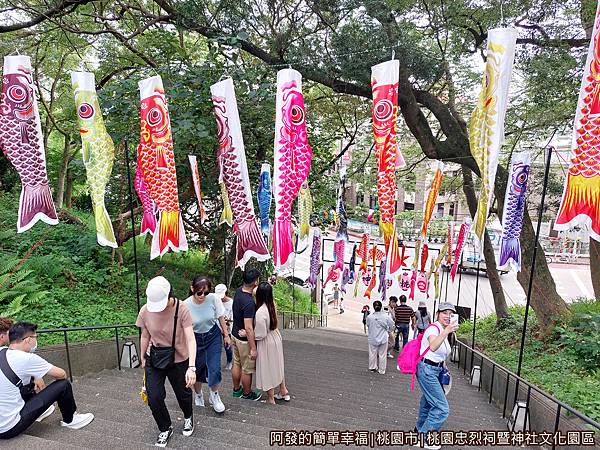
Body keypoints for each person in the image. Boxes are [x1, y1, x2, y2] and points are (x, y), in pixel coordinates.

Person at [0, 321, 94, 439]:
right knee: (63, 385)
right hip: (9, 428)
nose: (36, 341)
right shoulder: (28, 358)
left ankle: (40, 411)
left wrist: (36, 376)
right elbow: (62, 374)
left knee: (24, 379)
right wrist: (38, 374)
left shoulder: (2, 351)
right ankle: (71, 420)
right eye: (35, 337)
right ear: (28, 339)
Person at [136, 276, 197, 447]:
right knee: (153, 396)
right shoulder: (145, 310)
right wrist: (142, 357)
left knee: (183, 394)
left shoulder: (182, 308)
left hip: (179, 358)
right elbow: (145, 335)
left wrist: (191, 367)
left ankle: (188, 416)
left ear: (170, 294)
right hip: (155, 356)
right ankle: (165, 428)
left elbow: (191, 339)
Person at [415, 302, 459, 450]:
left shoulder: (441, 329)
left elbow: (441, 352)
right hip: (427, 370)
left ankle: (419, 431)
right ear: (437, 314)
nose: (448, 316)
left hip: (435, 370)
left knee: (428, 403)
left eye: (450, 314)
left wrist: (444, 367)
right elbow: (433, 346)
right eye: (444, 313)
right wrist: (446, 331)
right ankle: (424, 437)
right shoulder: (434, 328)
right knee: (442, 408)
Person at [184, 276, 230, 414]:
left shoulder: (214, 299)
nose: (202, 296)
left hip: (212, 336)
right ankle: (198, 395)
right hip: (194, 339)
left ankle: (214, 395)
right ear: (192, 289)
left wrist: (226, 335)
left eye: (206, 292)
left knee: (214, 368)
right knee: (197, 369)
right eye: (199, 292)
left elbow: (221, 316)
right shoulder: (185, 305)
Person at [251, 282, 290, 404]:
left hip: (266, 341)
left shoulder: (260, 312)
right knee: (277, 364)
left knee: (268, 367)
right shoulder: (272, 304)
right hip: (275, 337)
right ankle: (283, 390)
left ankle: (271, 398)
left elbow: (260, 334)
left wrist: (248, 334)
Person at [231, 269, 262, 401]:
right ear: (255, 282)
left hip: (235, 334)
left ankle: (236, 390)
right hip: (244, 340)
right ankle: (248, 393)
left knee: (236, 363)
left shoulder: (238, 291)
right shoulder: (249, 303)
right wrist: (253, 348)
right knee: (247, 369)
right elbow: (249, 327)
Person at [366, 301, 395, 374]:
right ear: (381, 307)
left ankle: (372, 367)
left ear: (373, 307)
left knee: (372, 353)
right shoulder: (386, 316)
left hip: (372, 337)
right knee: (382, 354)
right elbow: (392, 325)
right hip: (383, 338)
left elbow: (368, 325)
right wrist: (388, 330)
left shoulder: (369, 317)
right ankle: (382, 370)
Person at [216, 284, 234, 371]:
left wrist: (228, 322)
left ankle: (229, 361)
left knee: (227, 345)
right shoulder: (216, 301)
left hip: (228, 327)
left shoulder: (231, 303)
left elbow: (233, 316)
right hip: (217, 326)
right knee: (216, 345)